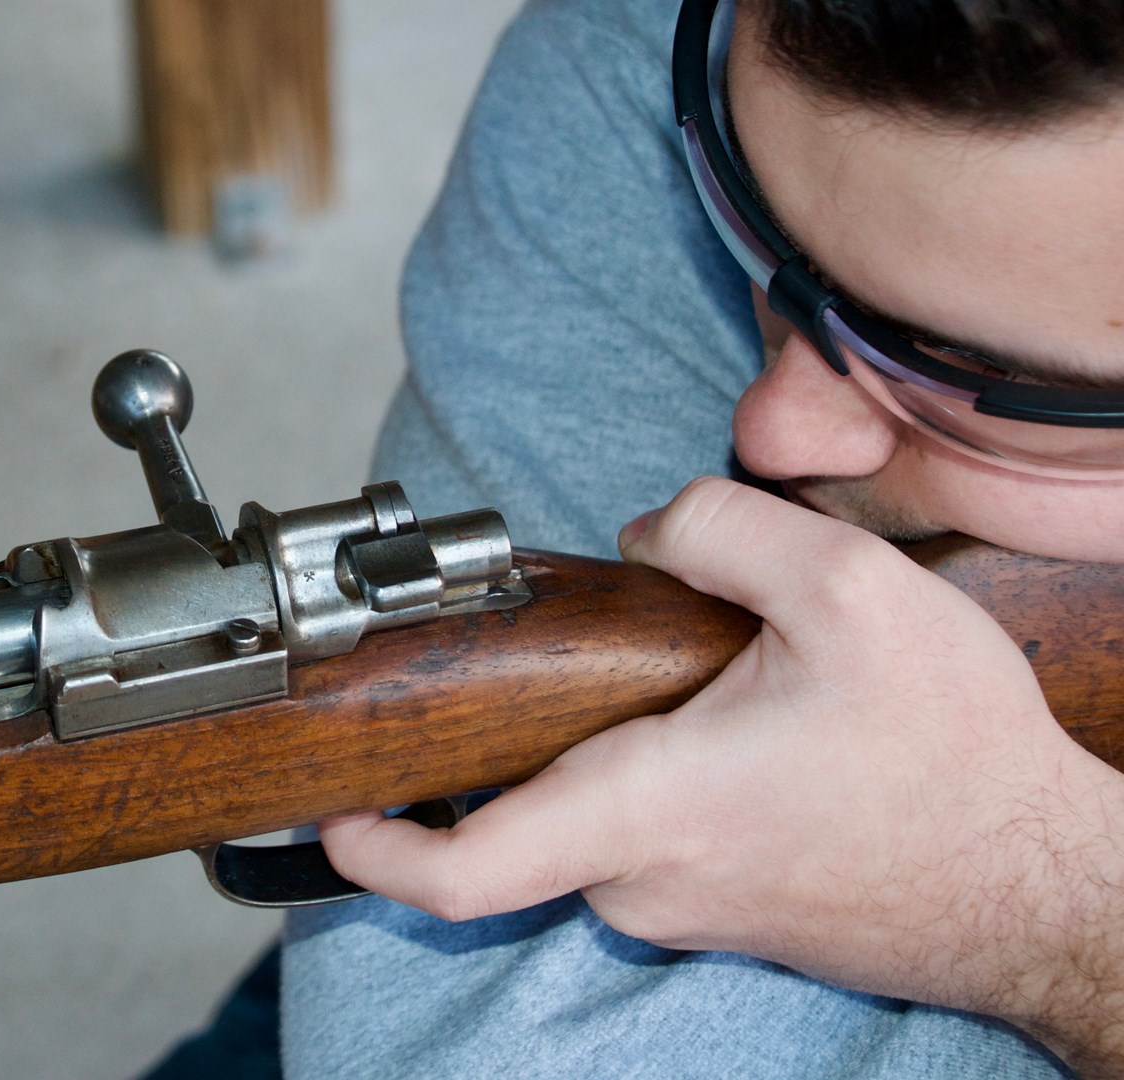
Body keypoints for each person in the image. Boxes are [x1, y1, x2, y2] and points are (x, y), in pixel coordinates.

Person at [275, 0, 1124, 1075]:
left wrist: (1049, 915)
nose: (770, 433)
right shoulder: (654, 52)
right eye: (759, 229)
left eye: (990, 380)